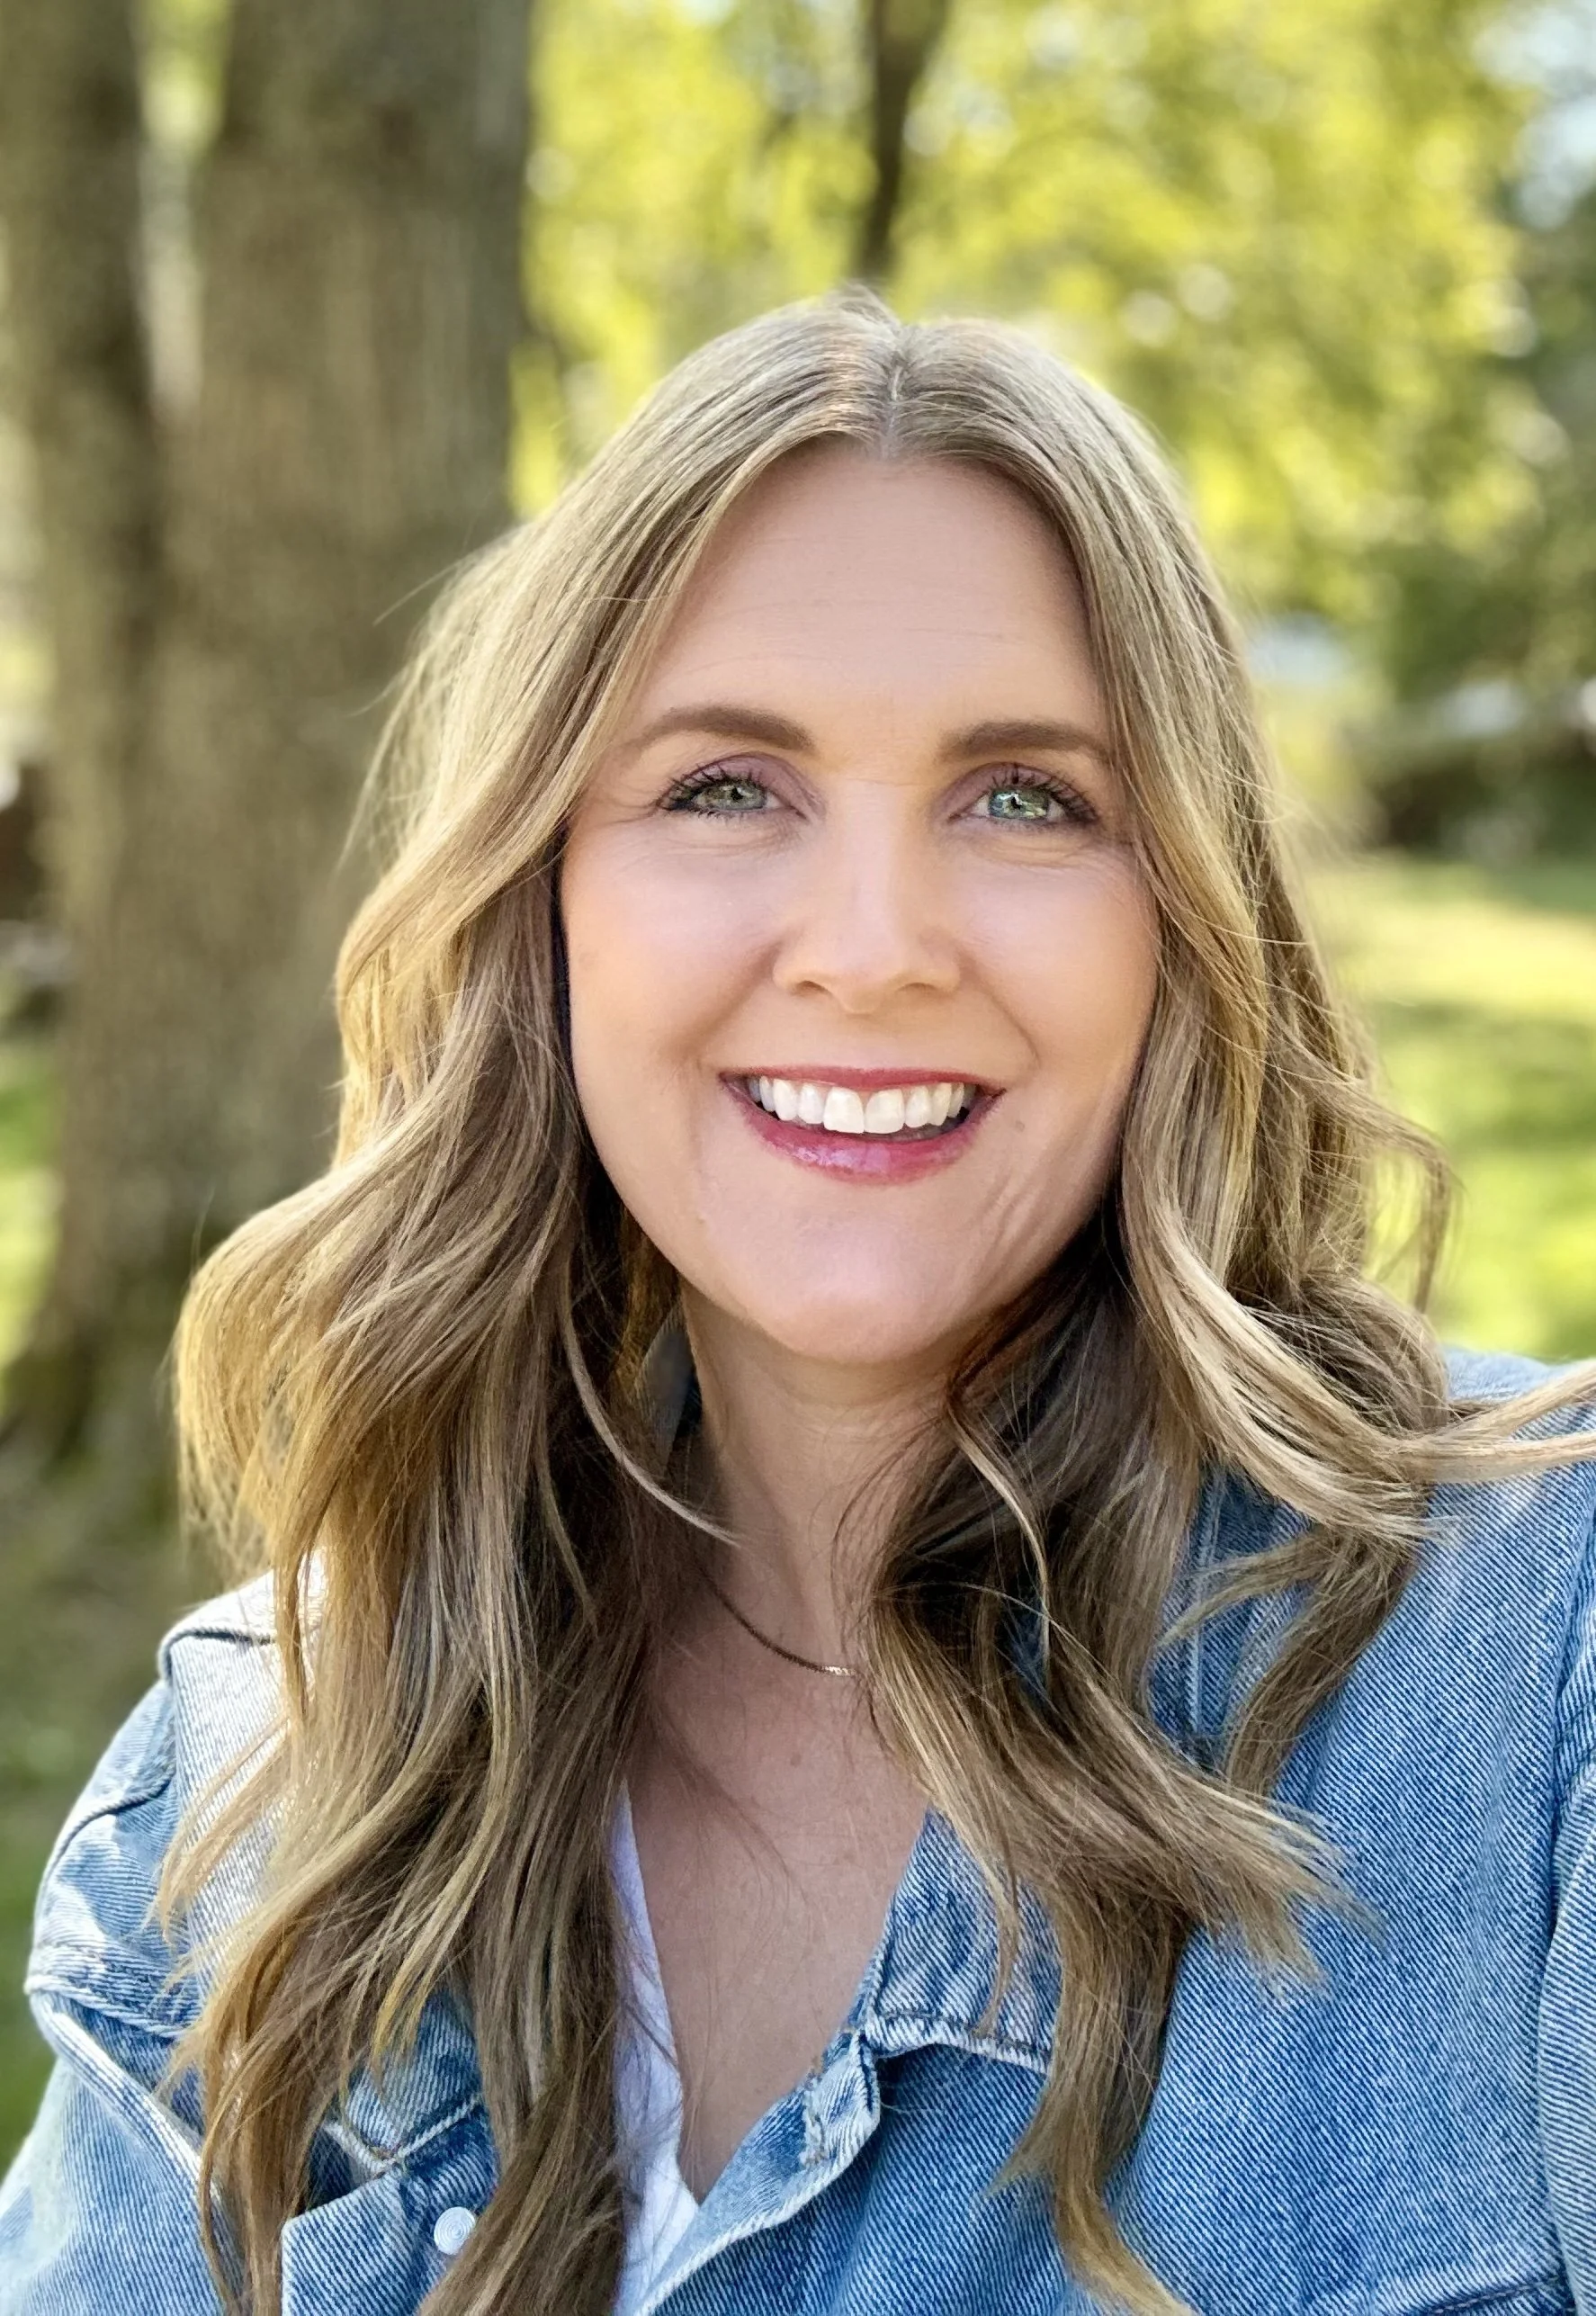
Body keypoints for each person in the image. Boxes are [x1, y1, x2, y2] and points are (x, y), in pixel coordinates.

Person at [2, 290, 1594, 2316]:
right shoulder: (275, 1774)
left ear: (1183, 921)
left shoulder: (1534, 1652)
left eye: (1024, 797)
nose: (868, 949)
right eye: (724, 788)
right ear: (540, 904)